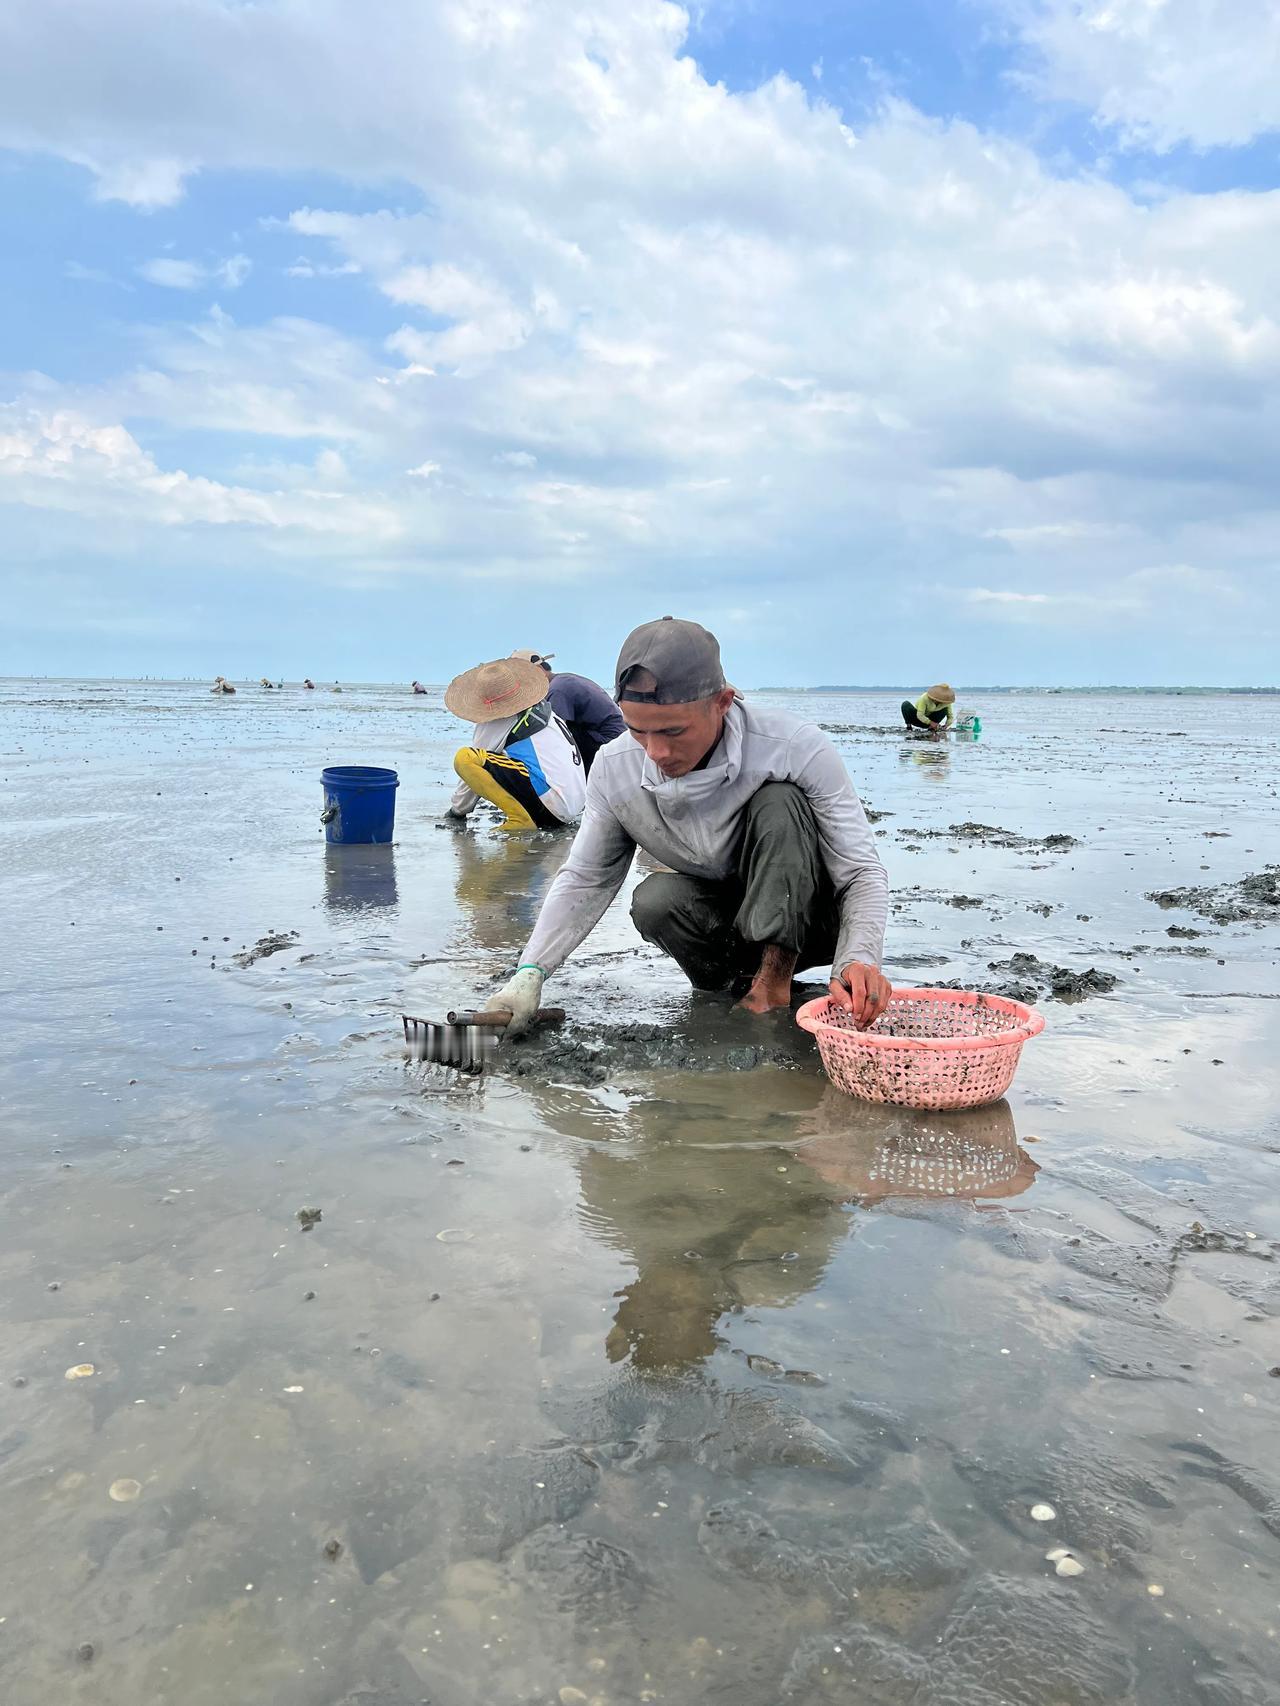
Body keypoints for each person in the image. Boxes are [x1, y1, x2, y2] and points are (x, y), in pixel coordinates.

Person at [476, 617, 891, 1027]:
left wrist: (858, 959)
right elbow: (586, 876)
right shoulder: (614, 767)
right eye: (639, 731)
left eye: (674, 732)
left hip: (812, 923)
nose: (656, 752)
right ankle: (722, 992)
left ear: (723, 702)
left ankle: (773, 986)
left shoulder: (793, 747)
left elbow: (860, 871)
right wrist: (530, 973)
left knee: (779, 803)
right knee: (655, 900)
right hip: (725, 925)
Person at [443, 656, 586, 831]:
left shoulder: (496, 721)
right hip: (573, 801)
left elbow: (471, 776)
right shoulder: (540, 707)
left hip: (552, 807)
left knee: (465, 758)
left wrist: (457, 811)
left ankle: (520, 820)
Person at [509, 649, 626, 774]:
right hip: (609, 739)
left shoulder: (557, 690)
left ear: (539, 670)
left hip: (609, 742)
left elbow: (553, 732)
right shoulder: (562, 680)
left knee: (553, 734)